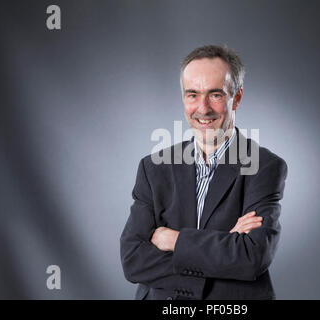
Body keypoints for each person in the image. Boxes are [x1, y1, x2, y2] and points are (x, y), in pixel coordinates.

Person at [120, 45, 287, 300]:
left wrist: (175, 240)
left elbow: (251, 257)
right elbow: (133, 259)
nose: (203, 108)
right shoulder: (153, 168)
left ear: (237, 97)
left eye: (216, 95)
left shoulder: (264, 167)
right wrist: (223, 249)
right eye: (192, 94)